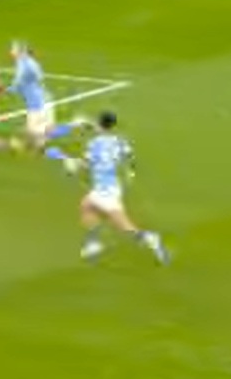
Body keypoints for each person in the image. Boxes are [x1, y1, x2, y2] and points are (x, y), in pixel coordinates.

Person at [48, 111, 170, 264]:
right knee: (86, 205)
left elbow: (86, 165)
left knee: (125, 227)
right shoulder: (119, 141)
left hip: (105, 191)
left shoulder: (94, 144)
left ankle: (150, 238)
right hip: (112, 186)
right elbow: (130, 156)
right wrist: (131, 172)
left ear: (99, 123)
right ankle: (93, 243)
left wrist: (68, 161)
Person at [8, 41, 84, 152]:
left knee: (36, 134)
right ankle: (74, 125)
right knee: (43, 136)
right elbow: (34, 79)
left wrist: (11, 88)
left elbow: (19, 81)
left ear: (21, 52)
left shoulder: (24, 64)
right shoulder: (29, 63)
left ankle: (74, 125)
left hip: (37, 103)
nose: (11, 52)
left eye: (13, 49)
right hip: (45, 100)